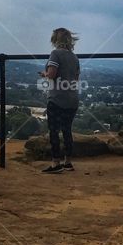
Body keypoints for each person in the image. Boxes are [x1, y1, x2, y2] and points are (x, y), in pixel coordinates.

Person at [39, 27, 81, 174]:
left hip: (57, 98)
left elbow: (51, 74)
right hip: (72, 99)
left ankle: (55, 163)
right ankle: (68, 162)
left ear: (55, 39)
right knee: (67, 130)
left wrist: (44, 74)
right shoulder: (74, 57)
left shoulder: (55, 54)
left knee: (54, 130)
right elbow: (76, 79)